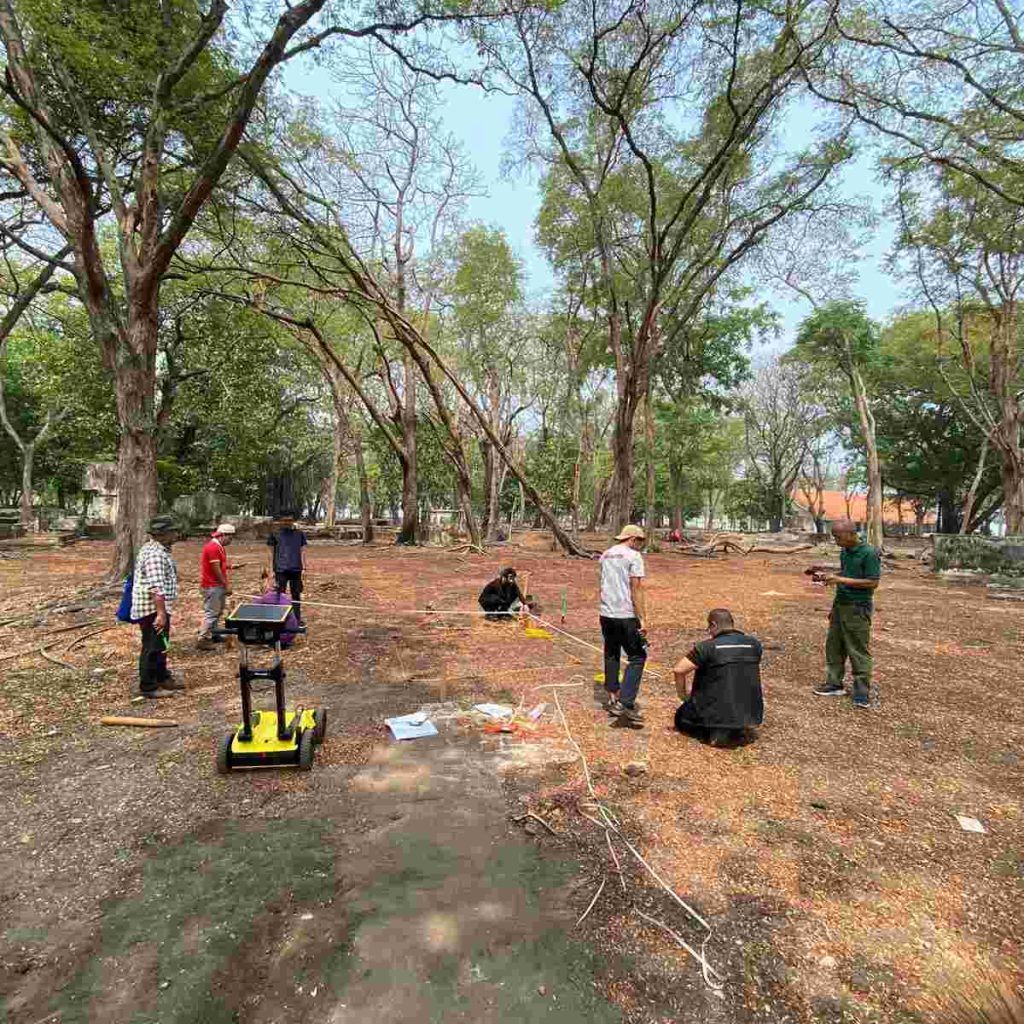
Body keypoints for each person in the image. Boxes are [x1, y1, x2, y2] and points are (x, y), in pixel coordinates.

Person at [812, 518, 881, 709]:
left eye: (838, 536)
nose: (836, 540)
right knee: (834, 646)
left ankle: (861, 692)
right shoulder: (845, 551)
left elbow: (872, 582)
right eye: (834, 536)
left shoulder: (869, 553)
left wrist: (840, 579)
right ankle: (834, 683)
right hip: (840, 605)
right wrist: (828, 576)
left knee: (857, 649)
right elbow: (846, 572)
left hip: (857, 607)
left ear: (852, 534)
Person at [672, 608, 764, 746]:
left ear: (714, 625)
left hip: (716, 712)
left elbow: (679, 670)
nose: (708, 631)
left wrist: (683, 695)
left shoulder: (707, 647)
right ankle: (739, 727)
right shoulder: (754, 645)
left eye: (709, 627)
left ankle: (716, 731)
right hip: (750, 713)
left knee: (681, 717)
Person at [130, 514, 183, 699]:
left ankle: (162, 676)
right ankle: (148, 686)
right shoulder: (155, 555)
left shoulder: (159, 550)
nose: (176, 534)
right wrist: (160, 614)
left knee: (160, 644)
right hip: (152, 609)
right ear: (162, 534)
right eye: (172, 532)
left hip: (158, 607)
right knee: (152, 646)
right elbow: (156, 588)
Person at [599, 524, 648, 725]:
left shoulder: (605, 555)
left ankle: (612, 696)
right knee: (637, 656)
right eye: (640, 541)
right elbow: (636, 588)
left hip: (606, 613)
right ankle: (625, 703)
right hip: (626, 614)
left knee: (612, 652)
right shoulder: (633, 556)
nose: (641, 545)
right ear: (633, 539)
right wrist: (642, 618)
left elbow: (601, 582)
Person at [197, 523, 238, 649]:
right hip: (212, 585)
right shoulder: (213, 547)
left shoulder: (218, 546)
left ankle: (214, 634)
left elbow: (219, 565)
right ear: (223, 535)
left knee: (218, 611)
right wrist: (226, 585)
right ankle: (202, 639)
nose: (231, 541)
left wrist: (230, 566)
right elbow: (216, 570)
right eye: (230, 538)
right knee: (212, 612)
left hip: (216, 585)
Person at [267, 511, 308, 623]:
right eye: (285, 520)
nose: (287, 523)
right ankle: (279, 618)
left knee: (296, 595)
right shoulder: (274, 534)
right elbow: (270, 553)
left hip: (296, 569)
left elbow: (303, 551)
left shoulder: (299, 534)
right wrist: (271, 570)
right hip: (280, 569)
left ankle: (296, 619)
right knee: (280, 595)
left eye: (289, 520)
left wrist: (304, 568)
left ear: (293, 521)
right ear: (280, 521)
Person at [251, 570, 301, 647]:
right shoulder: (286, 598)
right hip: (290, 635)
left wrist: (257, 598)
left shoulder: (264, 599)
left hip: (278, 636)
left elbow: (253, 611)